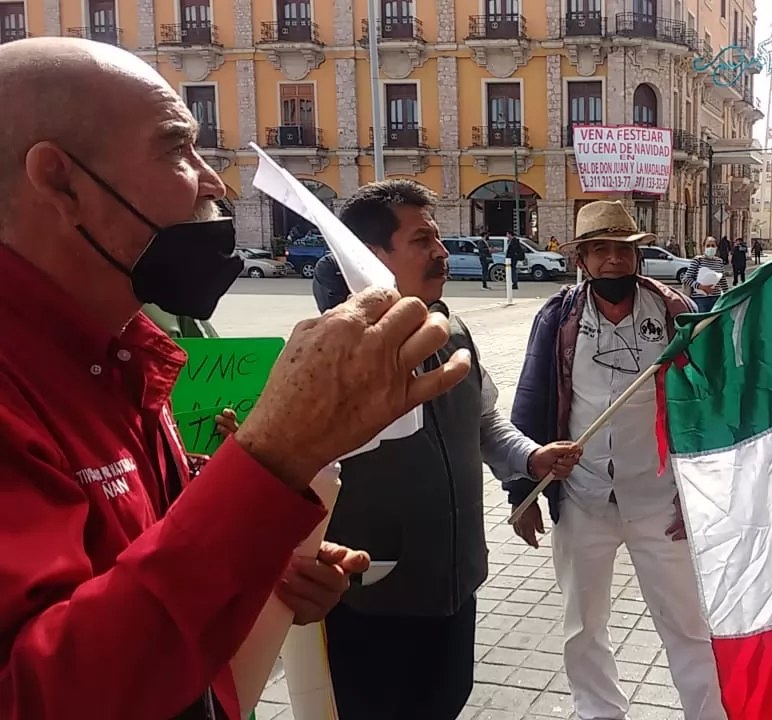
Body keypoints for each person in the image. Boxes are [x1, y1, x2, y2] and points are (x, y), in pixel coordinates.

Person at [0, 37, 471, 719]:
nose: (214, 182)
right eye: (176, 149)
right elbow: (39, 696)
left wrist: (263, 559)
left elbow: (135, 556)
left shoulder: (121, 352)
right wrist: (274, 455)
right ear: (60, 180)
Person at [310, 179, 581, 720]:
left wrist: (529, 458)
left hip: (453, 581)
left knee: (445, 701)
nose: (440, 252)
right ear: (372, 255)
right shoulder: (332, 350)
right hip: (373, 595)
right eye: (421, 240)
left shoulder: (452, 331)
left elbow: (482, 421)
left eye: (436, 238)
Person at [506, 201, 725, 720]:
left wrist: (701, 496)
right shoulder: (559, 317)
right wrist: (521, 492)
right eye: (599, 250)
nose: (613, 261)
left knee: (687, 625)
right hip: (582, 498)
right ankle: (599, 712)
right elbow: (532, 398)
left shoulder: (674, 312)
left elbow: (710, 402)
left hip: (660, 499)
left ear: (638, 256)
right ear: (580, 259)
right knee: (582, 626)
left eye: (623, 250)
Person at [684, 236, 731, 312]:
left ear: (716, 247)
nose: (710, 248)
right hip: (700, 300)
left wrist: (727, 295)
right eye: (708, 246)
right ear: (703, 247)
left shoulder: (719, 261)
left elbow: (723, 281)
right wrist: (701, 287)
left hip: (716, 299)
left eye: (713, 246)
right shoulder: (698, 260)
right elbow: (686, 279)